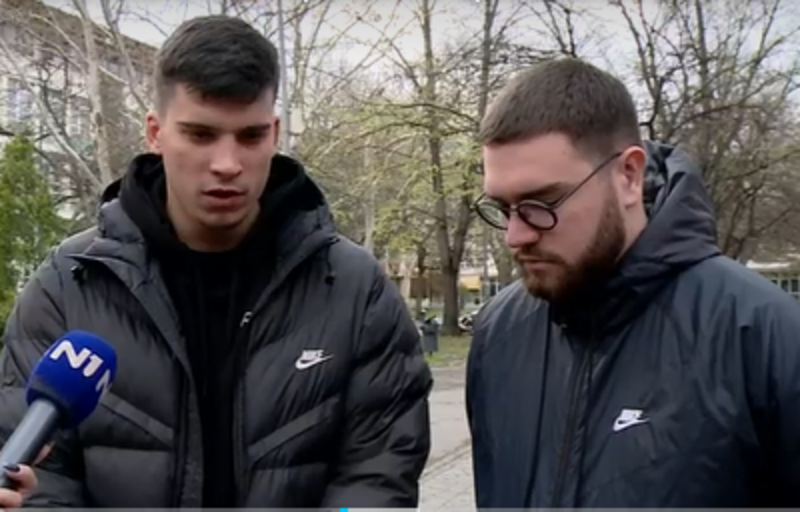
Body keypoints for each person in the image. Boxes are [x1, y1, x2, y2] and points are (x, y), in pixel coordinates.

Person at [0, 15, 432, 508]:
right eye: (201, 134)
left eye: (250, 137)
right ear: (156, 133)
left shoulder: (355, 289)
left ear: (274, 133)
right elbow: (41, 479)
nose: (228, 164)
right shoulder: (68, 285)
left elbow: (377, 476)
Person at [466, 57, 800, 507]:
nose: (515, 235)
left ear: (628, 175)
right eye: (503, 208)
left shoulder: (766, 335)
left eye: (541, 203)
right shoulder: (498, 334)